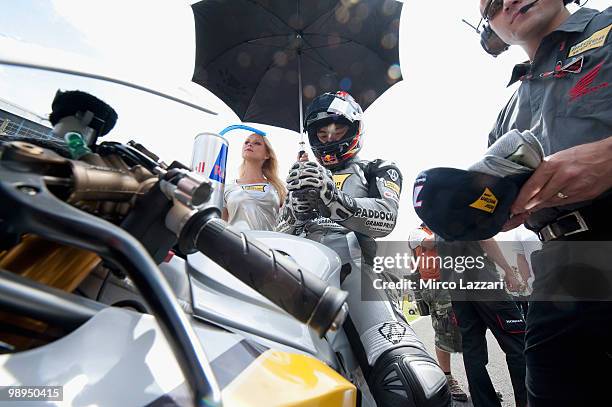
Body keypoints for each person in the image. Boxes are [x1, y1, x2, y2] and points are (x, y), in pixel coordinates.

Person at [277, 91, 450, 405]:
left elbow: (387, 218)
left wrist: (334, 200)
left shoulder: (379, 167)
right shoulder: (299, 174)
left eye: (337, 129)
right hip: (299, 279)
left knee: (408, 381)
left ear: (354, 128)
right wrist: (294, 208)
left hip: (358, 273)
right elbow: (278, 233)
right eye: (321, 131)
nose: (329, 137)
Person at [479, 0, 612, 404]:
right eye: (494, 4)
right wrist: (478, 211)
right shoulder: (506, 117)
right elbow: (495, 207)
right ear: (492, 27)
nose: (510, 2)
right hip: (559, 271)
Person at [437, 237, 527, 407]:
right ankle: (527, 401)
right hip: (484, 282)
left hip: (458, 289)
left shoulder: (436, 219)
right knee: (518, 343)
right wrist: (508, 270)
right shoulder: (466, 210)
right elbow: (485, 239)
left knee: (472, 351)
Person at [408, 224, 468, 402]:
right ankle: (448, 378)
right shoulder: (417, 232)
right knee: (444, 331)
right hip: (436, 287)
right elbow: (429, 243)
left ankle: (478, 382)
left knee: (467, 329)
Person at [222, 132, 286, 231]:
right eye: (246, 142)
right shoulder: (227, 188)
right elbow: (220, 226)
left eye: (257, 143)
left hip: (268, 245)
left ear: (267, 155)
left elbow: (288, 222)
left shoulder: (277, 188)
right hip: (235, 245)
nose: (249, 144)